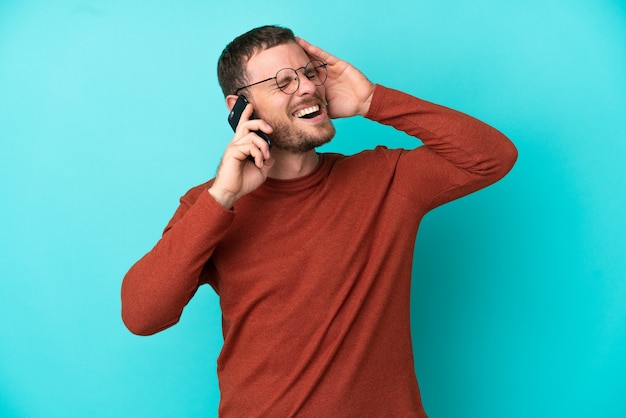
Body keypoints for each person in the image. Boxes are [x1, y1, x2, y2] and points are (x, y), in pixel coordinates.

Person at [121, 25, 517, 417]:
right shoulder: (211, 203)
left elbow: (492, 156)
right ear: (239, 107)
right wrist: (222, 197)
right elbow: (142, 316)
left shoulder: (385, 180)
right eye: (282, 82)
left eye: (310, 73)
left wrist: (372, 100)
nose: (307, 87)